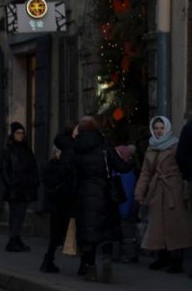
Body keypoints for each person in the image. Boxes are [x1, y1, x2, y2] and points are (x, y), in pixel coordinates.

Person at [72, 115, 133, 282]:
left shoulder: (75, 147)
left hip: (84, 195)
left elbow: (70, 172)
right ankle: (106, 258)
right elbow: (121, 166)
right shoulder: (104, 146)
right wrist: (133, 162)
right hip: (105, 193)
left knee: (88, 232)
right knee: (106, 230)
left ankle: (91, 269)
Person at [135, 116, 192, 274]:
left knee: (176, 226)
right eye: (156, 128)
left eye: (161, 128)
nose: (159, 131)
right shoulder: (151, 147)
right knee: (158, 226)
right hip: (157, 190)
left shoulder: (175, 145)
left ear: (167, 128)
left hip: (174, 189)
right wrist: (140, 192)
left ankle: (177, 261)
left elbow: (183, 163)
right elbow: (146, 172)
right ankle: (162, 257)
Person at [40, 123, 77, 273]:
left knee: (62, 229)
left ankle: (49, 259)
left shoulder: (71, 149)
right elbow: (53, 179)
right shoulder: (67, 151)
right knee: (58, 230)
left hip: (66, 197)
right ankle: (48, 259)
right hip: (63, 198)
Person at [0, 122, 40, 252]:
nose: (20, 135)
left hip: (25, 188)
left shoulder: (27, 150)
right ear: (12, 134)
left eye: (22, 133)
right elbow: (3, 170)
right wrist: (10, 183)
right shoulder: (8, 151)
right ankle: (13, 240)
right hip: (14, 188)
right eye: (17, 133)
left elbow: (33, 167)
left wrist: (34, 182)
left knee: (20, 214)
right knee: (15, 214)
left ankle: (15, 238)